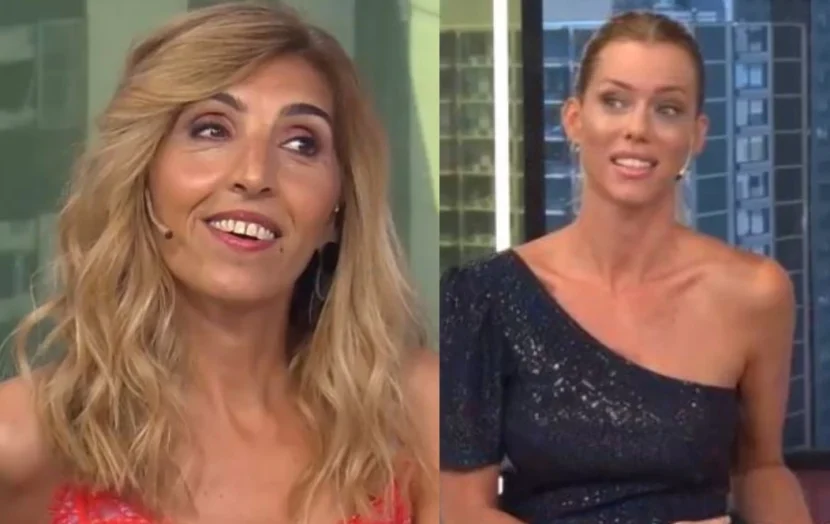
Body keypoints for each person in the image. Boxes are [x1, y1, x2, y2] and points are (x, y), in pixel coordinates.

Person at [0, 3, 438, 524]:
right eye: (212, 130)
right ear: (143, 178)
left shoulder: (415, 416)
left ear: (337, 211)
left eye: (301, 143)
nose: (254, 175)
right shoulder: (24, 441)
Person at [440, 11, 812, 524]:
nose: (637, 129)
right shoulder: (485, 294)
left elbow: (761, 469)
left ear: (697, 135)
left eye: (667, 109)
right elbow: (463, 509)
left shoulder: (756, 293)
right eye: (615, 101)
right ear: (574, 119)